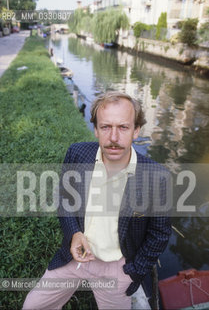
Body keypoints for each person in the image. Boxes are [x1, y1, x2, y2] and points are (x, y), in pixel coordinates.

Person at [23, 91, 171, 310]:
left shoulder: (157, 176)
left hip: (117, 269)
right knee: (33, 306)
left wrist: (135, 271)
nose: (113, 137)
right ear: (95, 129)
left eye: (123, 127)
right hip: (74, 257)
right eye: (105, 127)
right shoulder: (77, 154)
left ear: (136, 131)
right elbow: (64, 198)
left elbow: (159, 233)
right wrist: (74, 233)